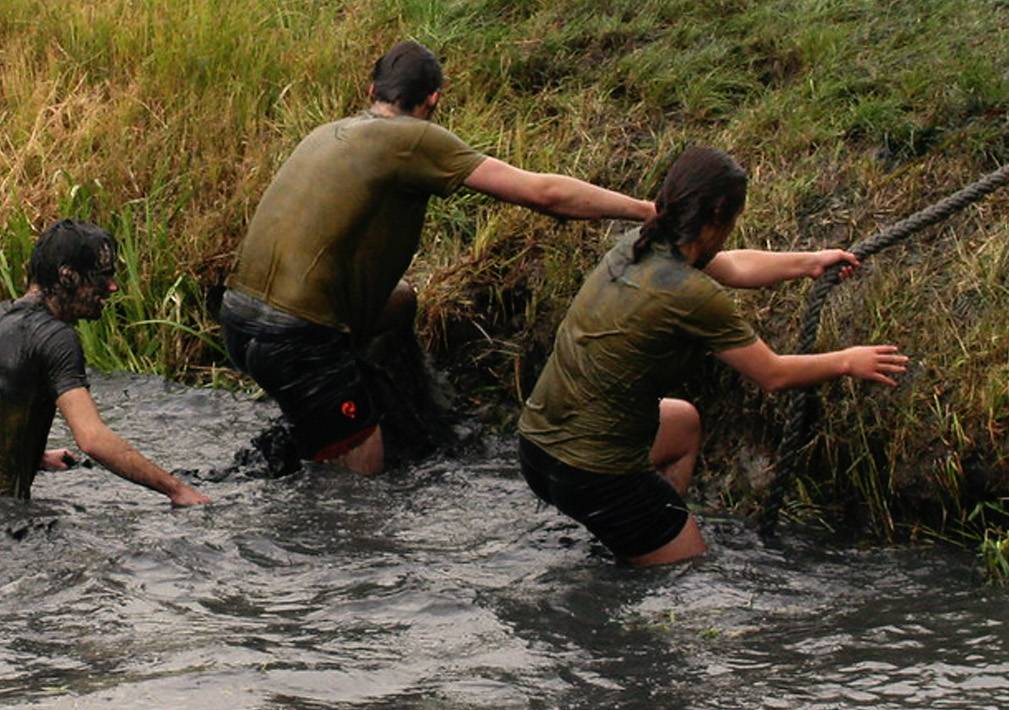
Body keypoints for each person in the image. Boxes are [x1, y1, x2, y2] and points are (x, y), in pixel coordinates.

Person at [221, 39, 656, 476]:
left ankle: (371, 414)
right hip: (298, 339)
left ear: (371, 90)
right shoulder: (413, 137)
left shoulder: (329, 133)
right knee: (359, 489)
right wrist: (647, 211)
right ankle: (346, 445)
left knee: (401, 301)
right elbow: (545, 194)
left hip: (238, 320)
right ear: (433, 100)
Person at [517, 146, 909, 566]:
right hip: (592, 475)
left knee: (682, 424)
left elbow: (735, 267)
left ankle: (636, 534)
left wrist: (810, 262)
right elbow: (772, 374)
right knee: (684, 572)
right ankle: (644, 552)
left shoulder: (640, 244)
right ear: (720, 215)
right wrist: (848, 362)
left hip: (538, 453)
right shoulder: (691, 295)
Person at [0, 219, 211, 507]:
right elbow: (92, 439)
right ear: (68, 276)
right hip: (1, 523)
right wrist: (177, 489)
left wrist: (34, 457)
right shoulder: (55, 337)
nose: (112, 287)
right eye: (102, 277)